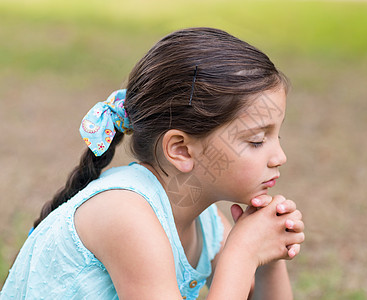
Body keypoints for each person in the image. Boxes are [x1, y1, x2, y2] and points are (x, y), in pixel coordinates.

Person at [1, 27, 305, 299]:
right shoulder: (126, 214)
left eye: (276, 136)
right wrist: (243, 253)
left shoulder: (206, 221)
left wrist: (269, 259)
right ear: (181, 150)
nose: (280, 157)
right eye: (256, 141)